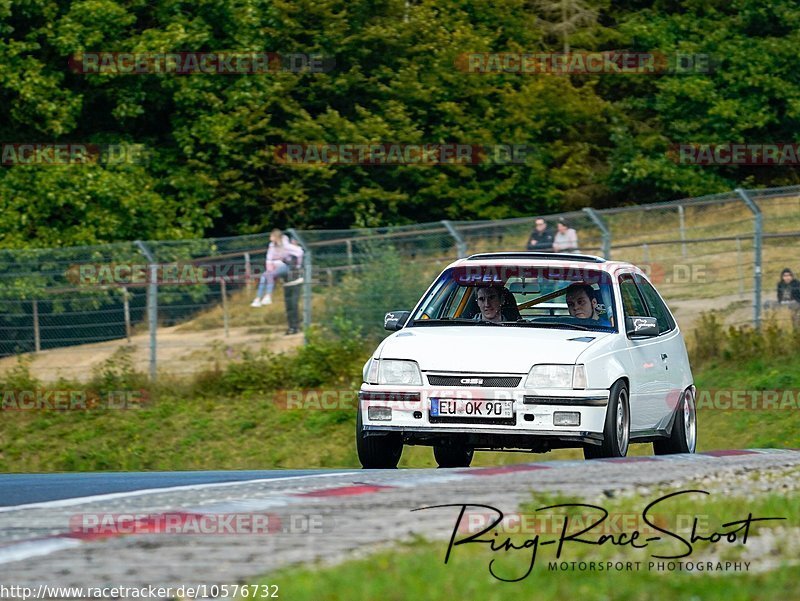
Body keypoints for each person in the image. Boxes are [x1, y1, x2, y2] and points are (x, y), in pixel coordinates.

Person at [251, 229, 296, 307]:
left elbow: (287, 256)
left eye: (271, 236)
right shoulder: (271, 245)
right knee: (264, 276)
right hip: (274, 265)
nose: (270, 238)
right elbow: (269, 258)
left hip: (285, 265)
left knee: (270, 275)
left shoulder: (285, 244)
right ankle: (258, 298)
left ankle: (268, 296)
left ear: (276, 236)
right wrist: (270, 267)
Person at [281, 239, 305, 335]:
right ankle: (291, 326)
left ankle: (296, 326)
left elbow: (299, 256)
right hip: (286, 283)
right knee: (289, 306)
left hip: (296, 282)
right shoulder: (284, 256)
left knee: (294, 304)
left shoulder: (298, 254)